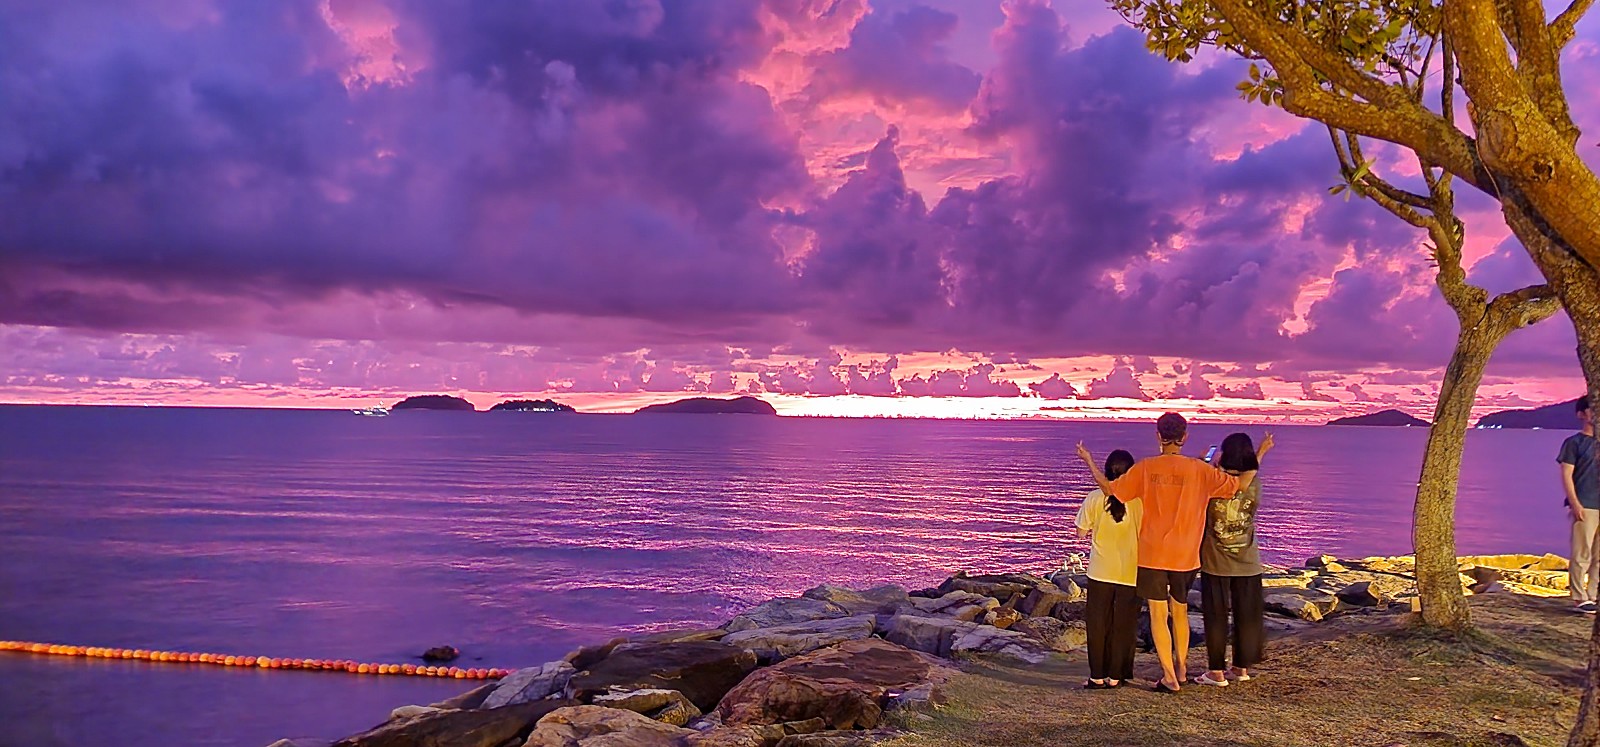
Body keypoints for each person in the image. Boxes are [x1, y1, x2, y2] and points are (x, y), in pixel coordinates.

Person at [1076, 412, 1267, 694]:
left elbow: (1110, 490)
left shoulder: (1145, 468)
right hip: (1187, 555)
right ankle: (1181, 667)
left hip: (1153, 555)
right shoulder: (1200, 470)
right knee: (1180, 612)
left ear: (1158, 436)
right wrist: (1259, 456)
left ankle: (1169, 676)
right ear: (1185, 437)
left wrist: (1089, 461)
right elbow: (1238, 485)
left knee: (1157, 614)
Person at [1194, 432, 1274, 687]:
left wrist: (1206, 463)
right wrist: (1261, 452)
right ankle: (1241, 667)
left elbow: (1210, 480)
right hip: (1248, 560)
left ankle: (1216, 671)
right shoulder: (1255, 483)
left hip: (1215, 561)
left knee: (1215, 616)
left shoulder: (1212, 484)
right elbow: (1248, 472)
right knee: (1247, 617)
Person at [1074, 449, 1142, 689]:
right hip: (1131, 572)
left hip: (1100, 571)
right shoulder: (1140, 501)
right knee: (1124, 625)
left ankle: (1097, 676)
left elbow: (1081, 532)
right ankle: (1117, 675)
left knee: (1098, 624)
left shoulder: (1094, 498)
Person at [1562, 397, 1599, 613]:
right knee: (1581, 552)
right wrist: (1575, 503)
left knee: (1599, 556)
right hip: (1585, 504)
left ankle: (1592, 594)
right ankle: (1579, 596)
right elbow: (1566, 474)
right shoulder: (1574, 443)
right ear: (1581, 414)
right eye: (1592, 410)